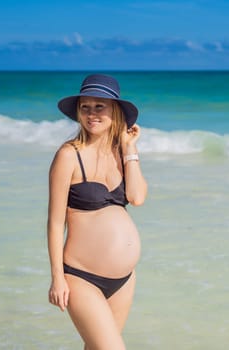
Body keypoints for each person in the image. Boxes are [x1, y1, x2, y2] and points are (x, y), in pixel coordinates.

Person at [47, 74, 148, 349]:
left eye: (99, 106)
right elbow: (56, 223)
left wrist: (130, 148)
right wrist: (57, 278)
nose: (92, 114)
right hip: (81, 277)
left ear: (114, 111)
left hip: (124, 279)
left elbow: (137, 198)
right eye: (85, 107)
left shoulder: (121, 153)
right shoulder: (69, 155)